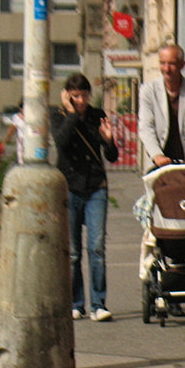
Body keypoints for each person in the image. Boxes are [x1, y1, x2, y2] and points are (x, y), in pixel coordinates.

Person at [138, 44, 185, 313]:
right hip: (162, 168)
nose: (166, 69)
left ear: (182, 65)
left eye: (171, 64)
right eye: (163, 64)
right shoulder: (149, 91)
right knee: (164, 223)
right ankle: (160, 278)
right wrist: (157, 155)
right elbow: (146, 126)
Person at [51, 73, 119, 322]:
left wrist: (110, 141)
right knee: (72, 252)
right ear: (67, 95)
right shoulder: (57, 115)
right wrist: (70, 113)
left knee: (96, 247)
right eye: (75, 96)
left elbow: (111, 156)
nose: (81, 100)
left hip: (95, 187)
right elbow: (61, 142)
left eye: (84, 95)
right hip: (69, 187)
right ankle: (76, 303)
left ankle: (98, 304)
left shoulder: (96, 115)